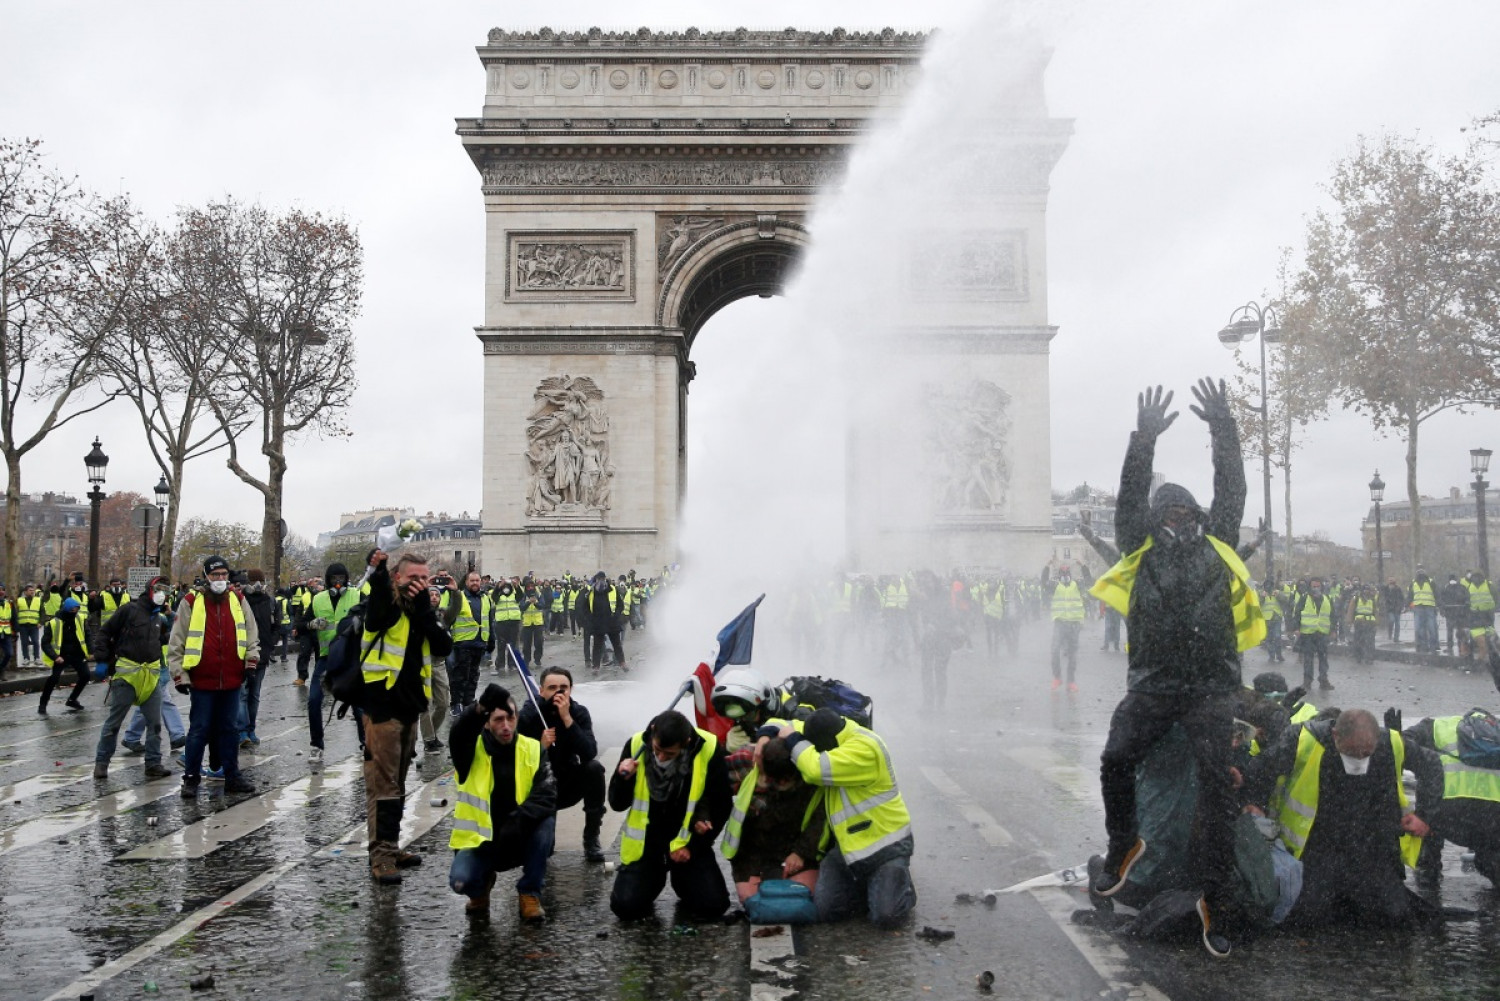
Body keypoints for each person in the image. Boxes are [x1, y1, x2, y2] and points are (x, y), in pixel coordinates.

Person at [1087, 379, 1259, 959]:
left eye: (1187, 510)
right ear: (1156, 518)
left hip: (1211, 688)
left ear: (1201, 516)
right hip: (1156, 684)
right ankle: (1122, 848)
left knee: (1217, 796)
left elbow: (1232, 486)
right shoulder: (1140, 547)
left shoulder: (1222, 541)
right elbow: (1129, 497)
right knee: (1115, 760)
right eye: (1170, 510)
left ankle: (1218, 898)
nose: (1179, 517)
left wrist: (1223, 427)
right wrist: (1143, 441)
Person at [1242, 708, 1441, 927]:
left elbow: (1431, 765)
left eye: (1366, 754)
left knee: (1392, 916)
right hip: (1317, 845)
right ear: (1336, 735)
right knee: (1307, 917)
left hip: (1371, 846)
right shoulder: (1303, 740)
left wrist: (1424, 815)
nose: (1359, 760)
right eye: (1352, 752)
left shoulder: (1391, 743)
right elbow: (1260, 770)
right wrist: (1255, 803)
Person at [759, 707, 916, 928]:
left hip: (885, 848)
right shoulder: (829, 730)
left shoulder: (865, 749)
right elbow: (784, 724)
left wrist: (794, 740)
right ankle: (874, 889)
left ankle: (902, 887)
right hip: (847, 850)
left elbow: (815, 768)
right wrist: (764, 737)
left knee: (885, 918)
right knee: (827, 911)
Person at [360, 550, 452, 884]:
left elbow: (443, 646)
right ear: (399, 578)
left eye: (425, 578)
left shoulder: (421, 609)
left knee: (398, 783)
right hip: (382, 707)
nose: (420, 584)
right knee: (382, 785)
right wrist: (379, 566)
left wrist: (426, 610)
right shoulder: (385, 604)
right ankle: (381, 856)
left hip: (411, 707)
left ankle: (392, 845)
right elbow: (379, 592)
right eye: (413, 577)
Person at [608, 710, 732, 921]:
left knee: (714, 907)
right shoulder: (637, 744)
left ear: (687, 742)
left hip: (686, 841)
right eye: (657, 750)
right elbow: (617, 804)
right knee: (625, 907)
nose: (661, 757)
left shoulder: (708, 748)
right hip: (647, 844)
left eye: (670, 754)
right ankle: (653, 878)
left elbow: (722, 804)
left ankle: (683, 880)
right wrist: (623, 779)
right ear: (653, 733)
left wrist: (694, 846)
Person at [448, 683, 556, 921]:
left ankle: (529, 893)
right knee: (460, 881)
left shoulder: (534, 749)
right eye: (498, 719)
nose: (506, 726)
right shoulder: (470, 751)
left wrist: (516, 823)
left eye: (510, 718)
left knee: (546, 821)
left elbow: (547, 795)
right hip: (480, 842)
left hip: (518, 835)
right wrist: (479, 708)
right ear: (486, 722)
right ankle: (480, 888)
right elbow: (458, 734)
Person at [169, 557, 259, 797]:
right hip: (202, 679)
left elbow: (251, 633)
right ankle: (191, 778)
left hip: (231, 677)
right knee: (199, 730)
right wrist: (179, 674)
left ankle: (232, 776)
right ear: (206, 576)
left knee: (230, 730)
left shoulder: (238, 600)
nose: (220, 579)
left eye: (224, 574)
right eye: (216, 575)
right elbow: (177, 639)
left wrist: (251, 661)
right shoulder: (190, 601)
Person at [516, 666, 607, 863]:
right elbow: (516, 760)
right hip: (539, 785)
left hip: (567, 782)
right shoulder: (530, 713)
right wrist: (540, 747)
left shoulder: (578, 712)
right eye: (552, 687)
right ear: (541, 691)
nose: (558, 692)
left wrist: (567, 719)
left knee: (594, 769)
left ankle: (591, 837)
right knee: (544, 850)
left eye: (563, 688)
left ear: (571, 690)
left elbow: (589, 752)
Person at [722, 736, 826, 906]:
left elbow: (821, 818)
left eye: (787, 778)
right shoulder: (745, 760)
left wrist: (801, 852)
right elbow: (711, 780)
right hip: (752, 851)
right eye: (776, 779)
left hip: (793, 846)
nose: (782, 783)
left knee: (801, 900)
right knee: (753, 902)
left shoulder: (812, 768)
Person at [1403, 711, 1500, 888]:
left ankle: (1428, 870)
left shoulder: (1439, 726)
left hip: (1445, 813)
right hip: (1493, 820)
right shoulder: (1496, 734)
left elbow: (1402, 746)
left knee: (1429, 793)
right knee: (1491, 857)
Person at [94, 575, 174, 780]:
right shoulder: (129, 610)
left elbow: (160, 639)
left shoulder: (158, 617)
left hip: (150, 676)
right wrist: (102, 660)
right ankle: (102, 763)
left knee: (155, 723)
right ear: (149, 590)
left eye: (164, 590)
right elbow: (105, 632)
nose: (161, 594)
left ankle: (153, 763)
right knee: (114, 723)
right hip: (127, 676)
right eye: (158, 589)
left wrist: (172, 627)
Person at [305, 561, 364, 768]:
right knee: (313, 700)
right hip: (326, 657)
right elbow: (300, 625)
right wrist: (311, 624)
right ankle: (316, 745)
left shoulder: (357, 595)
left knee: (358, 704)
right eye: (334, 579)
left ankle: (365, 743)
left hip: (351, 658)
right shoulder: (318, 599)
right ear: (328, 580)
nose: (338, 583)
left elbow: (373, 617)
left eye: (341, 579)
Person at [442, 571, 492, 717]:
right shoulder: (459, 597)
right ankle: (456, 703)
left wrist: (491, 641)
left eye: (477, 580)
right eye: (472, 581)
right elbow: (449, 618)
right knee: (460, 676)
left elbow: (488, 620)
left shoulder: (485, 598)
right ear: (467, 582)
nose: (475, 583)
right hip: (462, 643)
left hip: (479, 642)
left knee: (474, 675)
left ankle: (468, 702)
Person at [238, 569, 277, 749]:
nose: (258, 584)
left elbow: (277, 625)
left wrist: (269, 646)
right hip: (243, 655)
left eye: (260, 581)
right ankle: (242, 731)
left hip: (262, 655)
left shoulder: (270, 601)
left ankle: (250, 729)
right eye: (254, 581)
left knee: (254, 695)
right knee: (243, 694)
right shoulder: (239, 601)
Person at [38, 596, 91, 715]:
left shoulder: (81, 619)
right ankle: (43, 703)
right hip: (61, 656)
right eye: (73, 609)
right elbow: (45, 642)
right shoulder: (53, 623)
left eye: (77, 609)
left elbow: (87, 636)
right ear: (67, 609)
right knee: (54, 678)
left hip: (77, 654)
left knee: (86, 675)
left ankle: (72, 699)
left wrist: (91, 651)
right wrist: (55, 657)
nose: (75, 612)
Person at [1045, 565, 1085, 692]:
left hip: (1074, 623)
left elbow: (1089, 582)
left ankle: (1071, 681)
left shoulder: (1077, 585)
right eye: (1062, 573)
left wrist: (1083, 566)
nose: (1064, 576)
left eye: (1066, 573)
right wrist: (1047, 567)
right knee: (1055, 650)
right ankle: (1057, 677)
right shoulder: (1055, 585)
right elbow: (1043, 583)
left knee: (1072, 653)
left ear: (1070, 574)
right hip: (1060, 622)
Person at [1294, 578, 1335, 691]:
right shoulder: (1304, 598)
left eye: (1318, 586)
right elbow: (1297, 613)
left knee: (1323, 658)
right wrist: (1296, 628)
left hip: (1322, 633)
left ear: (1321, 587)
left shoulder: (1327, 599)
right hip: (1308, 634)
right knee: (1308, 659)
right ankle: (1307, 682)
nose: (1316, 589)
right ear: (1309, 587)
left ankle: (1323, 681)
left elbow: (1333, 615)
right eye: (1313, 586)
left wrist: (1333, 630)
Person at [584, 572, 626, 672]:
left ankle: (622, 663)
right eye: (599, 579)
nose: (601, 581)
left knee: (617, 644)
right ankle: (596, 666)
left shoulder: (612, 589)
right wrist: (590, 619)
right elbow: (585, 607)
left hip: (612, 622)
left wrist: (616, 615)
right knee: (597, 646)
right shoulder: (591, 592)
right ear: (596, 580)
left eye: (602, 578)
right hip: (598, 623)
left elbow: (620, 605)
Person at [1409, 567, 1439, 655]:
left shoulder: (1430, 582)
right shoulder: (1414, 583)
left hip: (1428, 607)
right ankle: (1424, 645)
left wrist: (1440, 605)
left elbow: (1437, 594)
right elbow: (1410, 595)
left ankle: (1431, 645)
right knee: (1420, 628)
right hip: (1419, 607)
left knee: (1430, 628)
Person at [1440, 574, 1470, 656]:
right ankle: (1460, 646)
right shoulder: (1462, 587)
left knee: (1450, 631)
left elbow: (1441, 600)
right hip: (1460, 613)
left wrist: (1442, 610)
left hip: (1450, 613)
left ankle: (1450, 647)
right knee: (1460, 631)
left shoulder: (1446, 588)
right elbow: (1467, 598)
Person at [1349, 585, 1379, 665]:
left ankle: (1369, 658)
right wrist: (1350, 623)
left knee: (1370, 642)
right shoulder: (1356, 599)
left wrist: (1376, 623)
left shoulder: (1372, 600)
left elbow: (1376, 612)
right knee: (1358, 641)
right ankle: (1359, 656)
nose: (1366, 591)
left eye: (1368, 590)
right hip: (1359, 623)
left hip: (1370, 623)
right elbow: (1351, 611)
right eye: (1365, 589)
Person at [16, 582, 42, 668]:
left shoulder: (38, 600)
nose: (32, 592)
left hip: (34, 625)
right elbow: (16, 613)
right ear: (25, 592)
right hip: (23, 625)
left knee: (35, 641)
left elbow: (42, 612)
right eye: (30, 590)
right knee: (24, 642)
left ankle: (37, 658)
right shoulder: (19, 600)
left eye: (33, 590)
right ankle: (26, 658)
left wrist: (40, 622)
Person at [1380, 577, 1404, 643]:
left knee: (1397, 624)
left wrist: (1401, 606)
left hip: (1397, 609)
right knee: (1391, 620)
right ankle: (1390, 633)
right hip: (1390, 609)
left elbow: (1402, 598)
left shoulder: (1398, 589)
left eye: (1392, 580)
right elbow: (1383, 598)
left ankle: (1396, 638)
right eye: (1390, 580)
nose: (1391, 581)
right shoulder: (1385, 589)